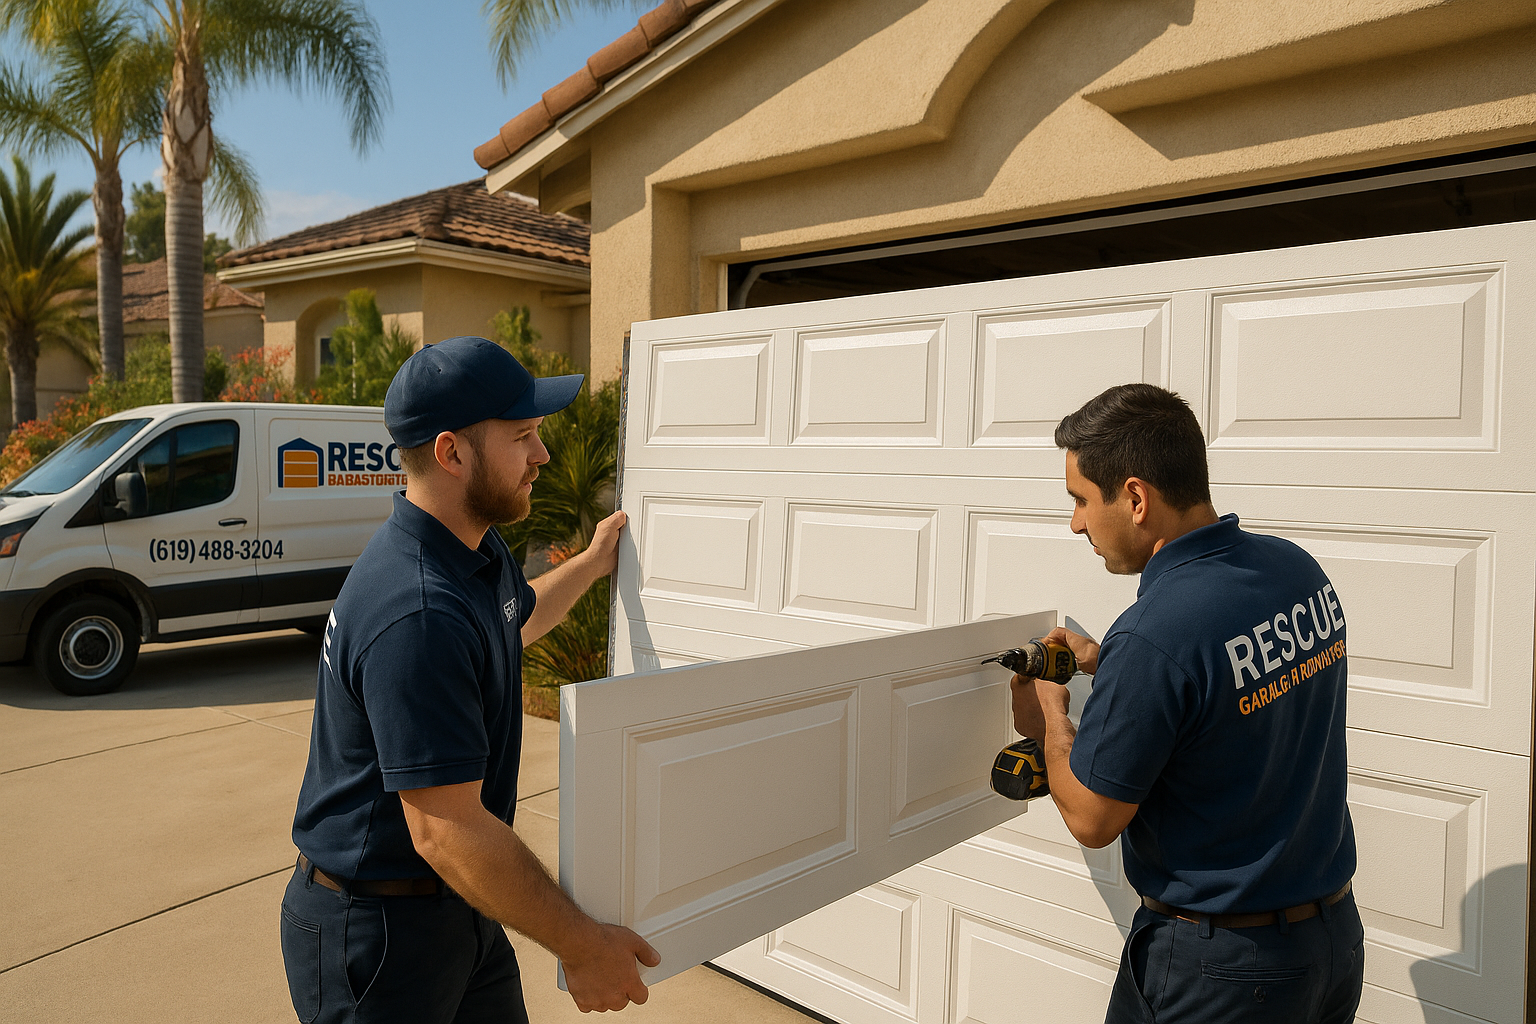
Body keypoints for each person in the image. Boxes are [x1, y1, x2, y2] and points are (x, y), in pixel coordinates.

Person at [280, 336, 659, 1024]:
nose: (541, 455)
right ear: (452, 453)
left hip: (459, 907)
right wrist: (584, 947)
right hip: (378, 934)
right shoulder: (416, 610)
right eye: (523, 437)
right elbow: (445, 831)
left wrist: (595, 563)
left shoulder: (471, 552)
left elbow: (513, 618)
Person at [1011, 383, 1362, 1023]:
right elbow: (1226, 690)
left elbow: (1093, 819)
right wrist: (1114, 664)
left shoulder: (1155, 634)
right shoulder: (1296, 571)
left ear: (1137, 498)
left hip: (1223, 975)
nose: (1076, 524)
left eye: (1082, 500)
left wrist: (1050, 721)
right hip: (1330, 943)